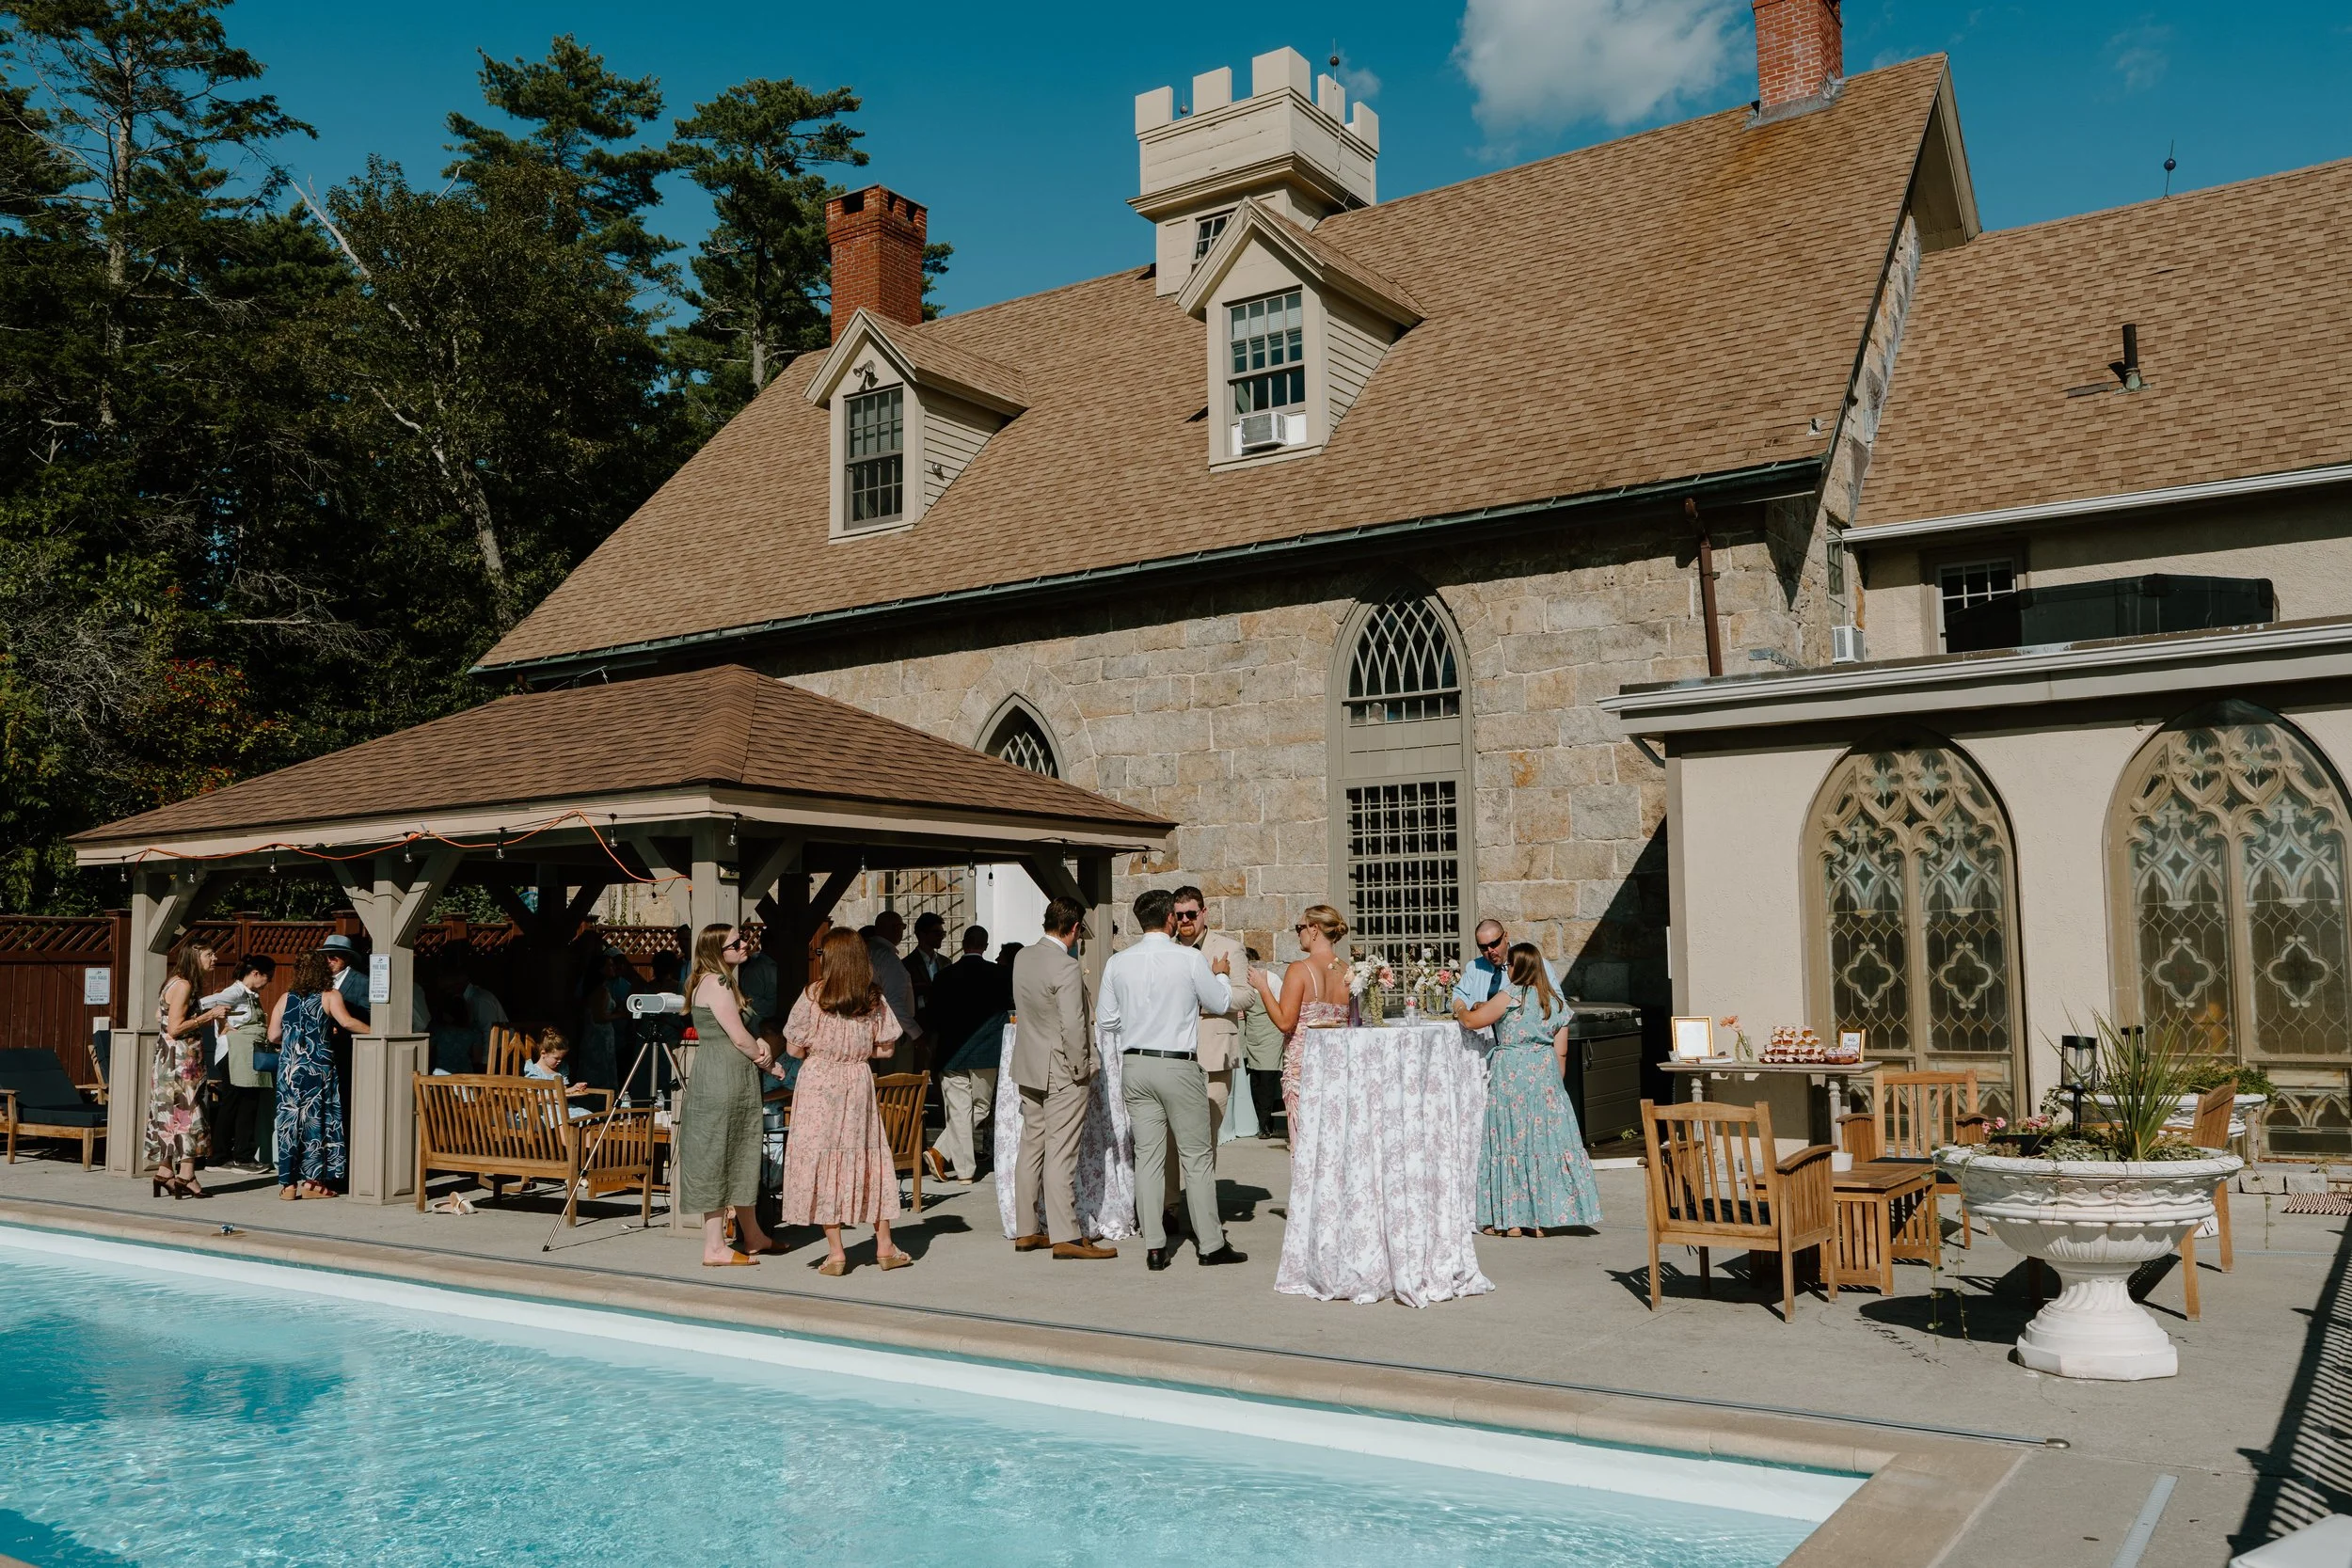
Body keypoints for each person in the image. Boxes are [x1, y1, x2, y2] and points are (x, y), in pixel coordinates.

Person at [1103, 888, 1244, 1272]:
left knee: (1148, 1158)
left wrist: (1139, 1020)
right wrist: (1221, 977)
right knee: (1196, 1157)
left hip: (1135, 1063)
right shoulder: (1187, 958)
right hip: (1176, 1063)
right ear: (1169, 918)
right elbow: (1218, 1003)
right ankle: (1210, 1244)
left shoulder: (1119, 963)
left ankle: (1154, 1246)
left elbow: (1107, 1020)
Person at [781, 928, 912, 1275]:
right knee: (868, 1156)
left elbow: (793, 1048)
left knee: (822, 1160)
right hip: (856, 1081)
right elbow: (885, 1048)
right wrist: (854, 1047)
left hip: (818, 1082)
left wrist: (825, 1046)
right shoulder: (873, 999)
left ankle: (837, 1253)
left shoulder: (813, 995)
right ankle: (885, 1246)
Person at [1454, 942, 1604, 1236]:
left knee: (1510, 1143)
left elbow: (1473, 1021)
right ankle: (1541, 1219)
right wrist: (1552, 1085)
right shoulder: (1555, 1002)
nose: (1506, 969)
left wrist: (1459, 1007)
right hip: (1544, 1076)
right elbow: (1561, 1055)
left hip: (1512, 1074)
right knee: (1541, 1145)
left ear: (1518, 967)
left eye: (1509, 965)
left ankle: (1511, 1221)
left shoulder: (1510, 994)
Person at [1009, 897, 1109, 1261]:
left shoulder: (1022, 957)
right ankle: (1065, 1234)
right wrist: (1082, 1067)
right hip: (1062, 1069)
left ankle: (1026, 1229)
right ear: (1073, 929)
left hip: (1029, 1063)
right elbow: (1073, 1025)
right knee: (1062, 1151)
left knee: (1031, 1145)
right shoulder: (1065, 967)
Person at [679, 925, 779, 1267]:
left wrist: (759, 1045)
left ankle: (753, 1236)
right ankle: (715, 1246)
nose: (743, 946)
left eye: (742, 940)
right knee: (718, 1155)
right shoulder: (718, 983)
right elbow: (738, 1037)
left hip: (727, 1077)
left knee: (739, 1152)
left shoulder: (716, 980)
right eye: (734, 944)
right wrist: (769, 1063)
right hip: (724, 1078)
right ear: (715, 951)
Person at [1248, 904, 1356, 1138]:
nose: (1298, 933)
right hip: (1337, 1068)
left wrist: (1262, 987)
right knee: (1333, 1140)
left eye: (1300, 927)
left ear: (1314, 929)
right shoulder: (1348, 972)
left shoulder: (1299, 969)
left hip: (1303, 1069)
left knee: (1305, 1142)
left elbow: (1285, 1023)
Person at [268, 950, 361, 1199]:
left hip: (288, 1070)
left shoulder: (285, 998)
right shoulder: (330, 995)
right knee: (317, 1121)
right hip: (317, 1069)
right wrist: (377, 1031)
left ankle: (287, 1185)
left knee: (289, 1123)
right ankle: (313, 1182)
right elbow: (348, 1022)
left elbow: (273, 1036)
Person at [923, 925, 1010, 1183]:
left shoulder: (944, 976)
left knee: (960, 1110)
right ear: (984, 946)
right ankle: (955, 1164)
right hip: (986, 1052)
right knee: (981, 1108)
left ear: (963, 943)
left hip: (951, 1053)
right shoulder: (999, 974)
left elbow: (934, 1015)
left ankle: (947, 1158)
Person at [149, 945, 229, 1198]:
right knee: (190, 1114)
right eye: (209, 954)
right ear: (195, 958)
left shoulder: (172, 982)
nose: (215, 958)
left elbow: (158, 1015)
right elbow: (174, 1027)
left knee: (172, 1115)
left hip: (167, 1060)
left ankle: (165, 1172)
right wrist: (209, 1016)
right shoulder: (183, 985)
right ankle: (187, 1175)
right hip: (182, 1062)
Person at [1451, 920, 1563, 1047]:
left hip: (1520, 1048)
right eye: (1483, 947)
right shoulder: (1474, 967)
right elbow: (1458, 995)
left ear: (1506, 937)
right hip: (1481, 1046)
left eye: (1494, 944)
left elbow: (1558, 1006)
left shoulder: (1534, 965)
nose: (1490, 950)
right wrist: (1474, 1005)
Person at [212, 955, 277, 1169]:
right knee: (235, 1103)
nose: (269, 982)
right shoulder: (236, 992)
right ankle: (229, 1154)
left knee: (245, 1103)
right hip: (234, 1053)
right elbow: (211, 1004)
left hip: (247, 1053)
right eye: (269, 977)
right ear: (256, 973)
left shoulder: (251, 994)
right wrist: (221, 1024)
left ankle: (235, 1153)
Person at [319, 934, 371, 1145]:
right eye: (326, 957)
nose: (329, 960)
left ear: (347, 958)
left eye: (335, 957)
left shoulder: (362, 982)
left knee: (346, 1101)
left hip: (350, 1050)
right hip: (324, 1052)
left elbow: (369, 1014)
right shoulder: (319, 982)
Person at [1236, 948, 1287, 1139]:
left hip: (1269, 1035)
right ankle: (1259, 1121)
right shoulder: (1241, 982)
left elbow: (1282, 1003)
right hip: (1253, 1036)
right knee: (1255, 1081)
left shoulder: (1272, 979)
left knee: (1267, 1079)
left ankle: (1265, 1124)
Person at [864, 912, 923, 1073]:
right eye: (902, 927)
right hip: (892, 1030)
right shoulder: (887, 957)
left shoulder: (865, 953)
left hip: (867, 1028)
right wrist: (916, 1034)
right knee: (895, 1086)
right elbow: (894, 1002)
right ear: (896, 929)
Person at [523, 1029, 598, 1121]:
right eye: (556, 1058)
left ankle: (586, 1135)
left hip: (560, 1107)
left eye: (561, 1058)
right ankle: (565, 1136)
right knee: (560, 1118)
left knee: (587, 1115)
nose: (559, 1061)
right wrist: (558, 1095)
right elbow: (531, 1099)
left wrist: (574, 1088)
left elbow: (564, 1091)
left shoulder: (561, 1069)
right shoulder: (533, 1070)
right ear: (543, 1053)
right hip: (541, 1109)